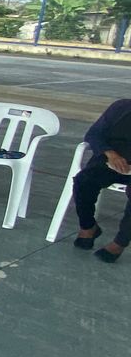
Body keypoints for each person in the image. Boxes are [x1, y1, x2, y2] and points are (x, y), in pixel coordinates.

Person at [73, 98, 131, 262]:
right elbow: (94, 134)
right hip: (111, 161)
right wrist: (110, 154)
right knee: (84, 181)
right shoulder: (121, 107)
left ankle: (120, 242)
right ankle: (88, 227)